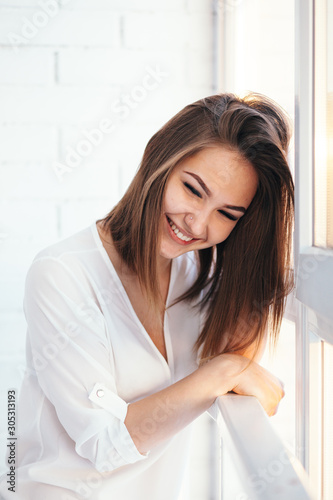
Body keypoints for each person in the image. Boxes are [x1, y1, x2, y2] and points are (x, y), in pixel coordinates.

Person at [0, 92, 294, 500]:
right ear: (160, 158)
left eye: (227, 214)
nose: (198, 223)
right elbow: (105, 443)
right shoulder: (62, 273)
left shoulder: (203, 285)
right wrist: (223, 371)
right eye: (193, 189)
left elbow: (241, 378)